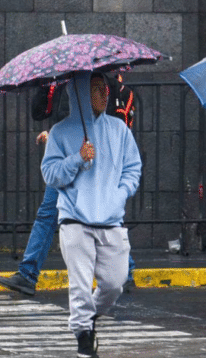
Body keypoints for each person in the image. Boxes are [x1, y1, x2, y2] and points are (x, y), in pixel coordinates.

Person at [0, 78, 136, 297]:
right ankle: (28, 274)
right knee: (54, 214)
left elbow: (114, 128)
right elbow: (44, 113)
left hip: (92, 162)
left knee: (78, 215)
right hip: (73, 160)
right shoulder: (71, 83)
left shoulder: (105, 87)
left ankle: (28, 274)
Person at [41, 71, 141, 358]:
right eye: (96, 89)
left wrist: (120, 193)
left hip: (110, 219)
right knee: (81, 286)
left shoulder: (119, 129)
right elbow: (50, 174)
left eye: (105, 89)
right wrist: (77, 159)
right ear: (81, 93)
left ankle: (88, 321)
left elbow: (132, 167)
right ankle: (83, 337)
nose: (104, 94)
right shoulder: (60, 132)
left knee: (114, 282)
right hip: (74, 219)